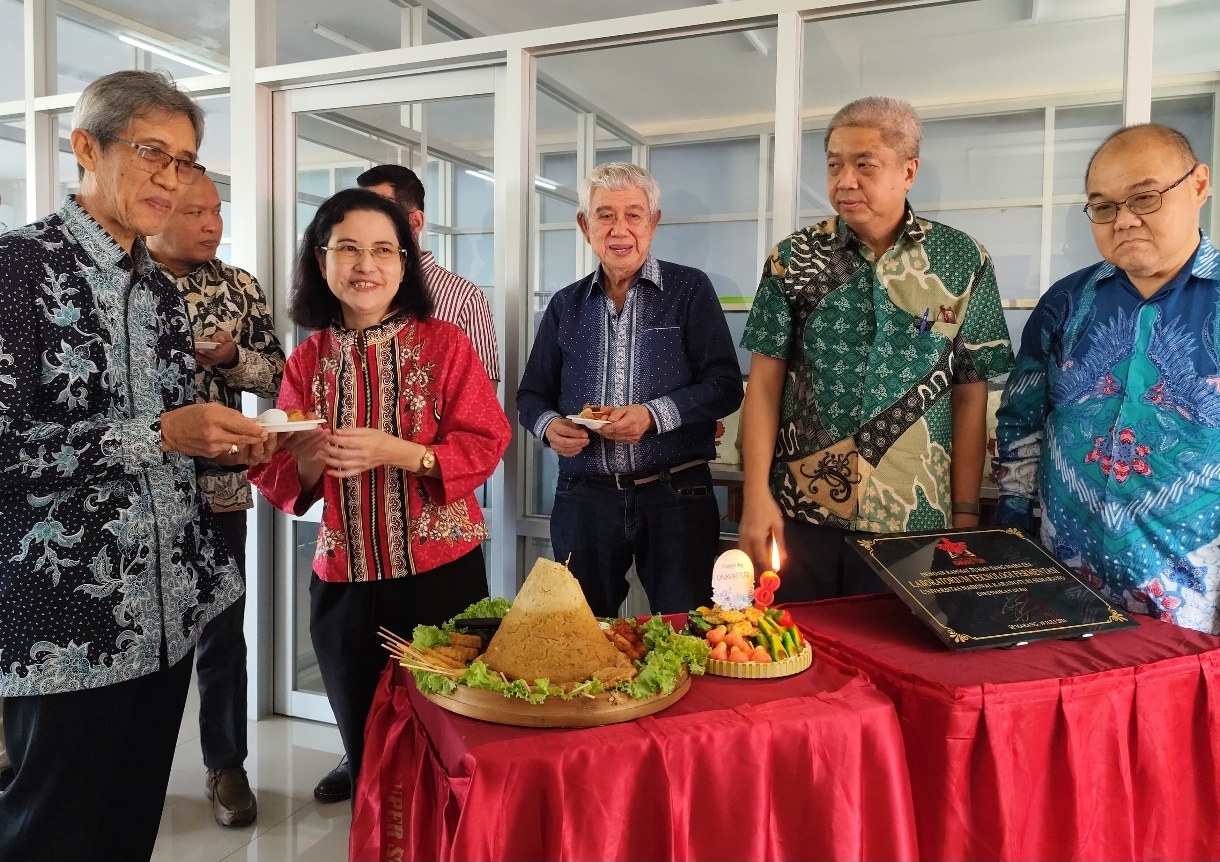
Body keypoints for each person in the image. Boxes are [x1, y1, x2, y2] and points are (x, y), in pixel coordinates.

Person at [0, 70, 275, 862]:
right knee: (48, 834)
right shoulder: (17, 270)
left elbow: (170, 440)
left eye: (187, 161)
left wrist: (222, 441)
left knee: (126, 833)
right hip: (67, 628)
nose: (173, 177)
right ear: (86, 146)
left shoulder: (158, 290)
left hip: (168, 624)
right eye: (153, 151)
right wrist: (160, 434)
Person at [249, 188, 510, 813]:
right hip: (344, 582)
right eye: (348, 249)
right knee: (365, 741)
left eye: (383, 250)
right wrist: (303, 453)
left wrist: (399, 452)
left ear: (404, 263)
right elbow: (289, 477)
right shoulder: (308, 358)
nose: (366, 265)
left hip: (440, 578)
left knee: (448, 739)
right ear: (321, 261)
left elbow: (487, 438)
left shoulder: (444, 344)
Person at [738, 96, 1014, 600]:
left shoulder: (961, 259)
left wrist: (966, 514)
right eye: (834, 165)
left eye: (865, 165)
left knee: (901, 663)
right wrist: (756, 495)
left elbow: (970, 394)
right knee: (800, 655)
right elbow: (763, 387)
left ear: (908, 171)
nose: (845, 181)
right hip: (803, 510)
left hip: (914, 517)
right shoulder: (793, 258)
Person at [994, 123, 1220, 633]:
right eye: (1104, 207)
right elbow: (1021, 427)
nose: (1125, 220)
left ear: (1199, 185)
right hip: (1058, 588)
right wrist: (1009, 541)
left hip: (1193, 608)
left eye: (1145, 197)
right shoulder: (1064, 304)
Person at [517, 162, 744, 617]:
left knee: (685, 626)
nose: (620, 229)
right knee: (580, 629)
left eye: (634, 215)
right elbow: (530, 395)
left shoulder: (690, 290)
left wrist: (653, 414)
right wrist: (549, 427)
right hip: (584, 496)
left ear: (653, 223)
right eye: (604, 215)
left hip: (676, 494)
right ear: (585, 226)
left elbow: (724, 386)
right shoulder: (565, 305)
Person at [147, 175, 286, 827]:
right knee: (143, 632)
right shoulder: (124, 284)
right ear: (155, 212)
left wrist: (235, 361)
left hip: (222, 489)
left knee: (222, 631)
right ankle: (130, 766)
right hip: (138, 493)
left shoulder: (239, 287)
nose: (211, 224)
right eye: (194, 211)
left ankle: (226, 763)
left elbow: (283, 374)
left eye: (217, 211)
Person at [359, 164, 500, 383]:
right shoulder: (351, 288)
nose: (367, 223)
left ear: (415, 222)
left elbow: (482, 394)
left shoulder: (463, 297)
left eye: (383, 211)